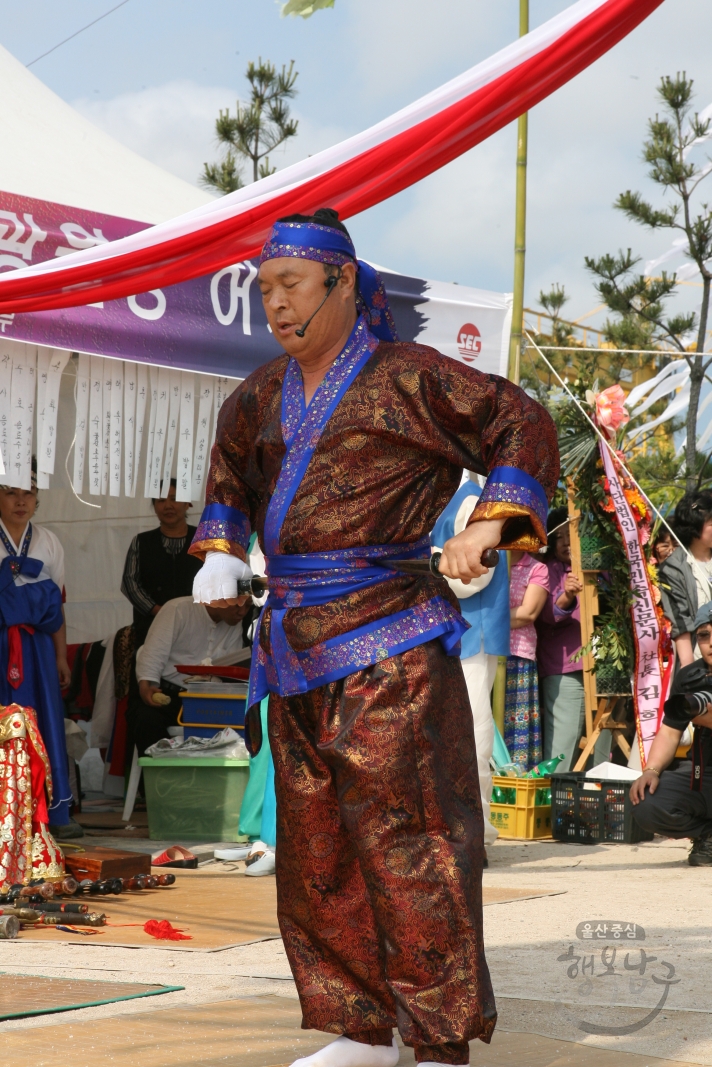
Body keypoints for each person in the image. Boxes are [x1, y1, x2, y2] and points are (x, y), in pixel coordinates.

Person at [190, 208, 558, 1067]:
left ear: (342, 282)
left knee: (414, 847)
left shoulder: (408, 377)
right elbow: (227, 477)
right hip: (292, 650)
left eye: (291, 287)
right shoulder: (253, 397)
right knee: (317, 852)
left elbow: (522, 421)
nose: (275, 306)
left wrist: (493, 524)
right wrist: (218, 547)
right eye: (265, 290)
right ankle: (359, 1030)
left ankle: (437, 1043)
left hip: (390, 644)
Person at [431, 476, 510, 854]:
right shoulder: (446, 496)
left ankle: (475, 834)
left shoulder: (472, 501)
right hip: (448, 633)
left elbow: (470, 578)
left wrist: (424, 561)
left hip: (468, 634)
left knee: (471, 734)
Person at [0, 474, 75, 837]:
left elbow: (58, 604)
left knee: (42, 724)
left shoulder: (48, 542)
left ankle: (52, 811)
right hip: (0, 646)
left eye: (27, 493)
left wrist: (61, 657)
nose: (19, 501)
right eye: (10, 493)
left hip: (39, 648)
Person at [630, 601, 712, 865]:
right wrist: (650, 771)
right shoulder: (690, 677)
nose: (711, 642)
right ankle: (708, 835)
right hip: (705, 772)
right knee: (645, 802)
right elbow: (669, 732)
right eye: (704, 635)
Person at [128, 594, 253, 756]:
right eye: (237, 605)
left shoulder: (235, 625)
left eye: (248, 606)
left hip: (205, 701)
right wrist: (146, 685)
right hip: (166, 695)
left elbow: (228, 667)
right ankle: (160, 779)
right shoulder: (178, 609)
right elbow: (153, 653)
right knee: (147, 721)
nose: (242, 612)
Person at [121, 479, 203, 646]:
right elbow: (130, 584)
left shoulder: (202, 541)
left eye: (174, 499)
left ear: (187, 504)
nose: (168, 506)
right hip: (151, 628)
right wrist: (159, 611)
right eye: (161, 501)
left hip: (195, 627)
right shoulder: (141, 542)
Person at [535, 508, 587, 772]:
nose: (567, 542)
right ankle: (553, 805)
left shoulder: (597, 568)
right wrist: (567, 595)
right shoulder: (549, 570)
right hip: (564, 667)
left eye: (573, 535)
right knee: (562, 749)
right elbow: (546, 615)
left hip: (599, 668)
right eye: (561, 537)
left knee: (601, 748)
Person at [505, 549, 549, 771]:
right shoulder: (488, 563)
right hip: (485, 653)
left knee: (517, 726)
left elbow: (527, 613)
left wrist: (488, 620)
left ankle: (515, 782)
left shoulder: (537, 568)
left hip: (517, 655)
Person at [659, 491, 712, 667]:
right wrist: (689, 672)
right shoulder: (673, 569)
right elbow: (680, 623)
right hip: (701, 660)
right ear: (694, 526)